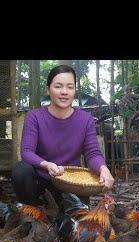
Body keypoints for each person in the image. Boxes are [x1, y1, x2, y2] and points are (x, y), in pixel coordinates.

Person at [12, 64, 115, 208]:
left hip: (71, 183)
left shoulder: (85, 119)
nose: (64, 92)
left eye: (70, 87)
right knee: (21, 170)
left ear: (75, 90)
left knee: (75, 223)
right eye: (58, 86)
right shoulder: (34, 116)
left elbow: (92, 153)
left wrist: (104, 169)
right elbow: (26, 152)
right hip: (40, 181)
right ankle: (32, 212)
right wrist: (47, 165)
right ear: (48, 89)